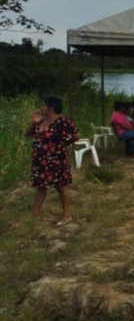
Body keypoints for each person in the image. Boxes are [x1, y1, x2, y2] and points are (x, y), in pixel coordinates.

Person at [24, 95, 79, 226]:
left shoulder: (62, 122)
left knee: (61, 186)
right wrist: (34, 123)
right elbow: (27, 134)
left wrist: (64, 144)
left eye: (44, 105)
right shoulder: (41, 121)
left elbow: (76, 135)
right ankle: (35, 215)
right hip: (41, 161)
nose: (41, 108)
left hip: (56, 160)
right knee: (41, 186)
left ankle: (66, 215)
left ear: (52, 108)